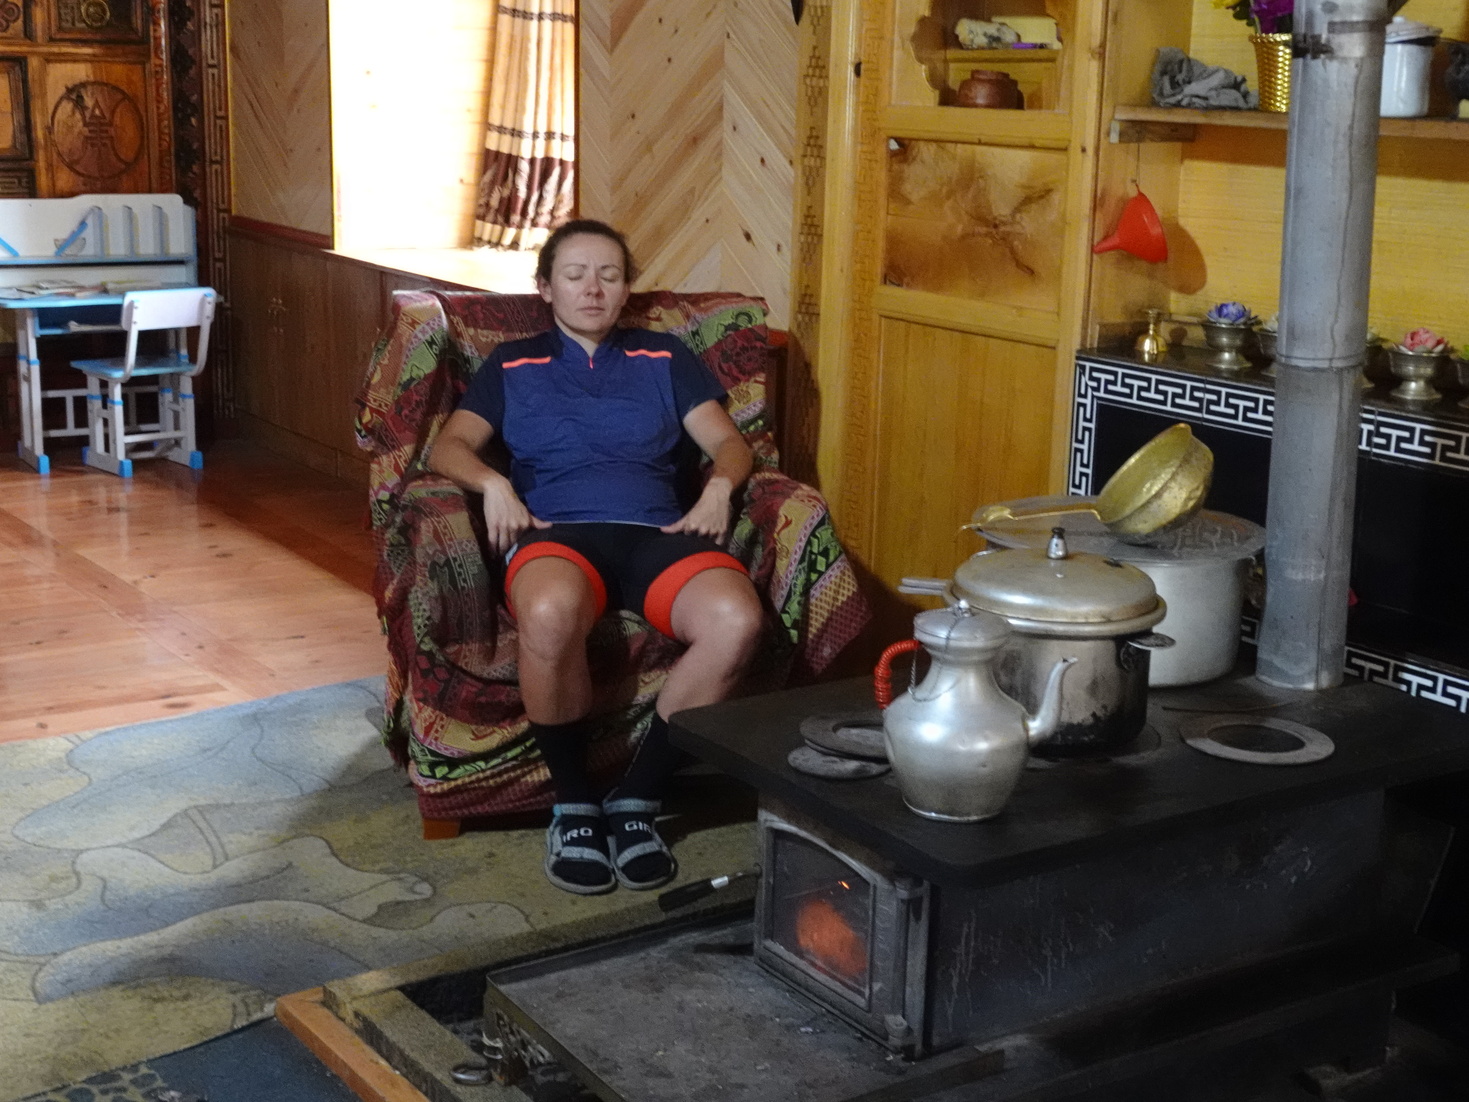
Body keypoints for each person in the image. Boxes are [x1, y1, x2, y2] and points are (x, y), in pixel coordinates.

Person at [428, 220, 765, 895]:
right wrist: (493, 484)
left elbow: (729, 444)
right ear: (545, 287)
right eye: (575, 274)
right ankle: (575, 805)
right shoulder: (512, 364)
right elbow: (447, 447)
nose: (592, 288)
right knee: (549, 613)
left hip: (656, 534)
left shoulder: (664, 356)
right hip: (557, 534)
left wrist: (720, 487)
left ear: (626, 288)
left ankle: (636, 800)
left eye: (609, 275)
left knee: (737, 621)